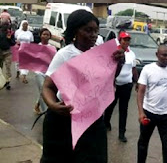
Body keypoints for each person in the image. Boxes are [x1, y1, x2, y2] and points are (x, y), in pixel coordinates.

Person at [41, 10, 125, 163]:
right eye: (88, 30)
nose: (93, 35)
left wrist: (119, 62)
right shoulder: (65, 55)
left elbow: (110, 80)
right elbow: (48, 87)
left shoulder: (100, 54)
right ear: (75, 31)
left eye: (96, 31)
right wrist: (53, 105)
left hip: (92, 120)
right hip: (64, 121)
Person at [137, 44, 167, 163]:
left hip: (165, 115)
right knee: (143, 143)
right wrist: (141, 113)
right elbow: (140, 92)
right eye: (164, 55)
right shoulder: (148, 69)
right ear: (157, 55)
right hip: (149, 113)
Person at [104, 31, 138, 142]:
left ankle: (121, 133)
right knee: (110, 106)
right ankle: (106, 123)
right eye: (124, 40)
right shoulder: (114, 52)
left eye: (128, 40)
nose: (126, 42)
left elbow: (133, 69)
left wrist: (137, 82)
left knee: (124, 109)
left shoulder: (131, 54)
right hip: (114, 84)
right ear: (120, 40)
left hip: (127, 84)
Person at [34, 28, 57, 115]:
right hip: (38, 72)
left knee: (43, 90)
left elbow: (55, 60)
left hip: (48, 73)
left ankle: (37, 104)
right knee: (43, 90)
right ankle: (45, 112)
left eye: (47, 35)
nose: (45, 36)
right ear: (40, 35)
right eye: (44, 34)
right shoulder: (36, 47)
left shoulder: (52, 48)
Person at [0, 22, 15, 90]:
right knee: (0, 68)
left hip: (7, 52)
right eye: (4, 25)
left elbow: (13, 43)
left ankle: (7, 82)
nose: (5, 27)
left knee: (8, 67)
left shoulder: (10, 33)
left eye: (6, 26)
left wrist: (9, 39)